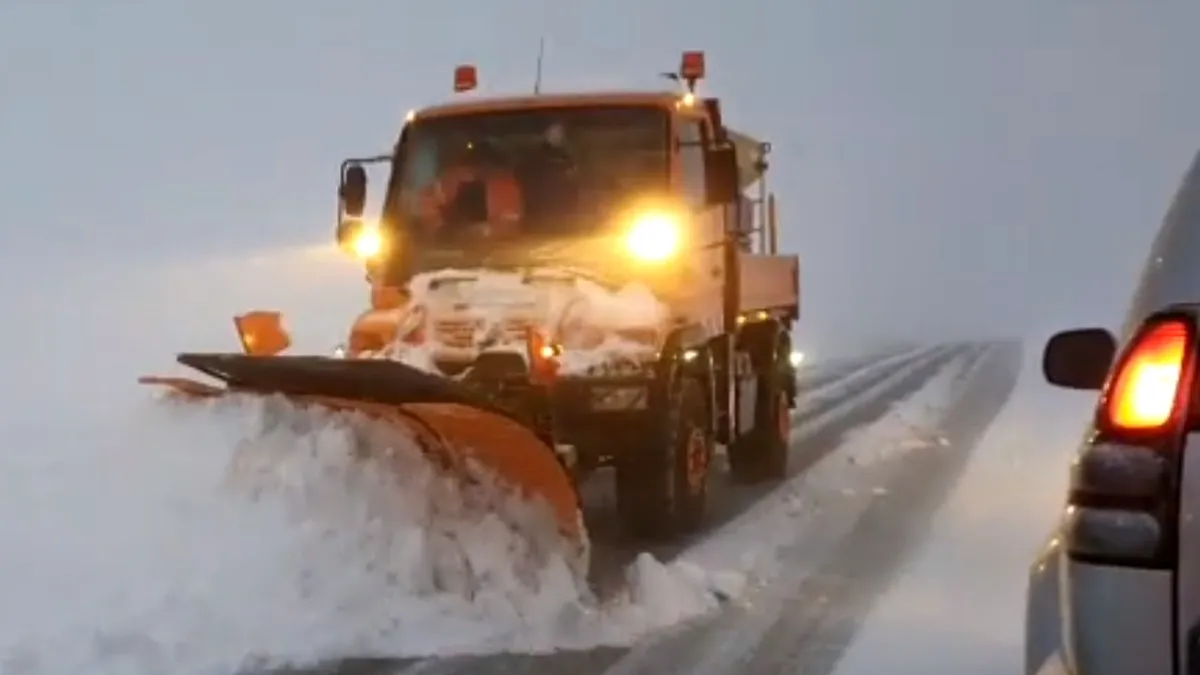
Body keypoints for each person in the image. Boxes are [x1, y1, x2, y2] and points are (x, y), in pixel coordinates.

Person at [417, 141, 524, 241]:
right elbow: (428, 228)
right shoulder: (444, 186)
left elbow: (511, 229)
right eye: (467, 174)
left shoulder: (505, 187)